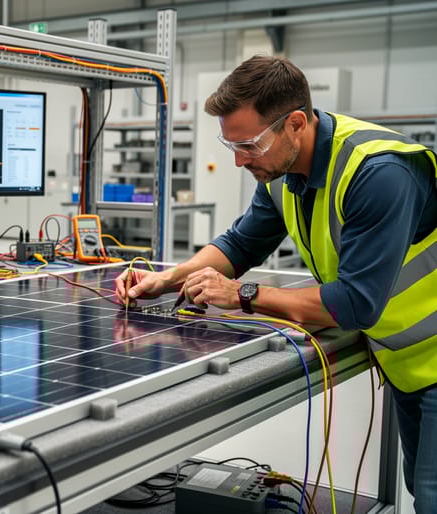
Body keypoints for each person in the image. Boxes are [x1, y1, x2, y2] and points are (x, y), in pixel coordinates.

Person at [114, 55, 437, 513]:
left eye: (249, 144)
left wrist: (243, 296)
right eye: (232, 147)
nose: (240, 160)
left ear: (296, 124)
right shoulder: (282, 172)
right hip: (409, 363)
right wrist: (167, 280)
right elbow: (241, 244)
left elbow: (356, 303)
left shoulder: (380, 174)